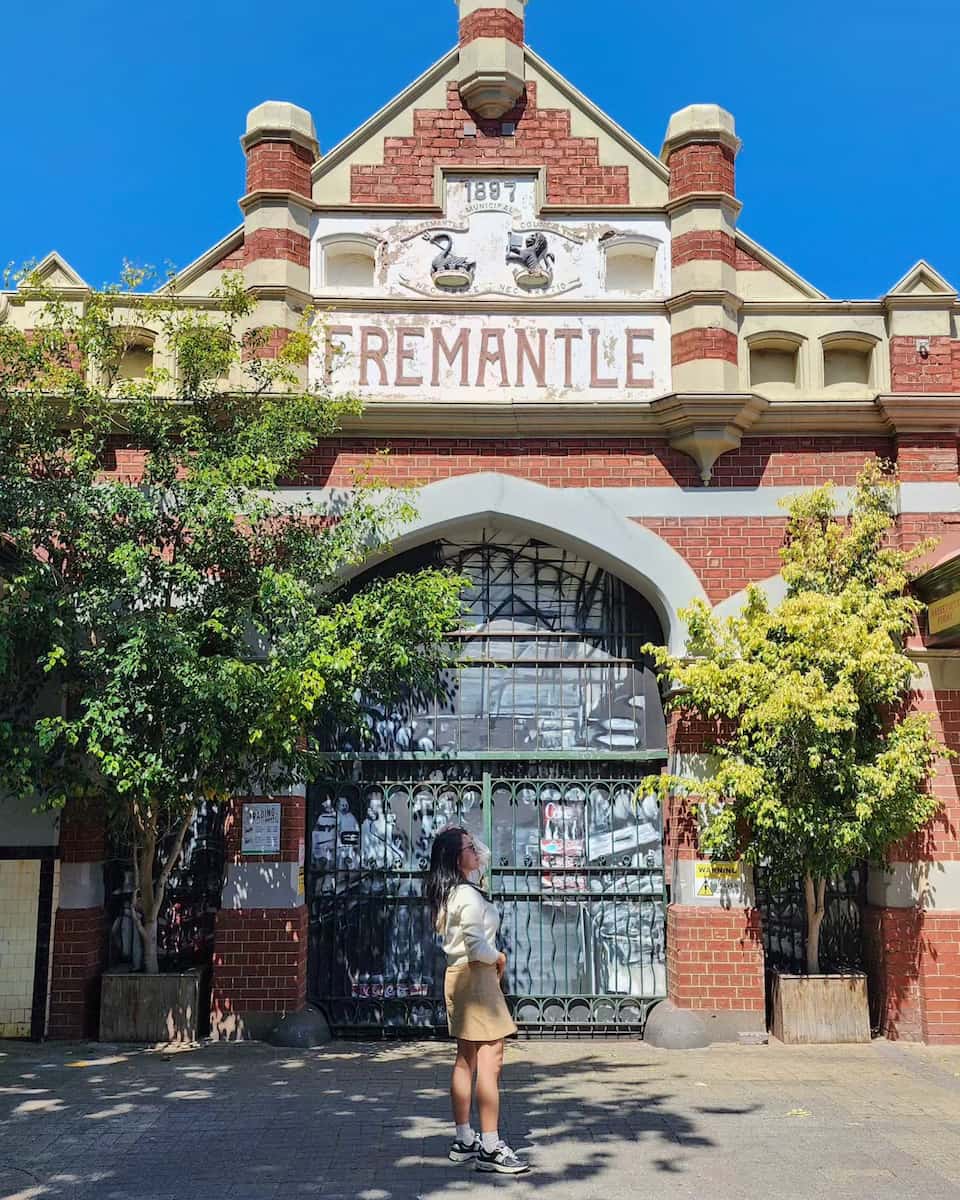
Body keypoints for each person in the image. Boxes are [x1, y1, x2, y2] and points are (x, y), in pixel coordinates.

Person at [426, 827, 530, 1176]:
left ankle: (465, 1139)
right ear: (458, 858)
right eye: (470, 848)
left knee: (466, 1058)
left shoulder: (454, 892)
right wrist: (499, 957)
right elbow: (476, 945)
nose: (477, 851)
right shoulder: (467, 897)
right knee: (491, 1059)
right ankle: (490, 1145)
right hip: (477, 976)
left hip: (461, 977)